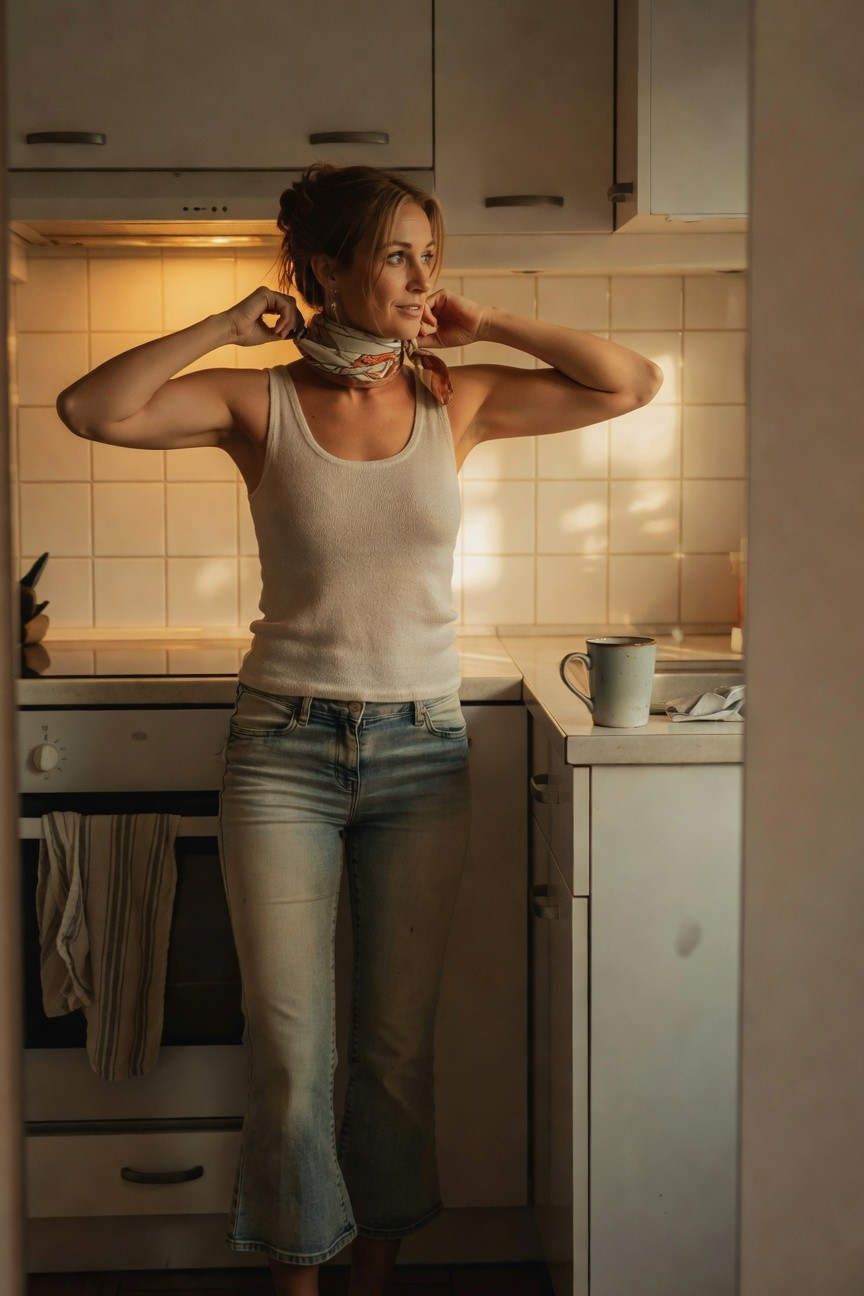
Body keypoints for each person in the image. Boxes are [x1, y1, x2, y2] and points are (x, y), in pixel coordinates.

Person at [56, 163, 663, 1296]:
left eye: (431, 253)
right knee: (294, 1055)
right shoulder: (260, 400)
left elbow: (632, 382)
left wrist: (494, 321)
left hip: (423, 750)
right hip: (282, 751)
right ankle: (297, 1279)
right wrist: (230, 325)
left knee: (391, 1056)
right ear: (322, 270)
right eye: (396, 254)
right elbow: (91, 409)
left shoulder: (457, 395)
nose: (423, 275)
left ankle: (371, 1280)